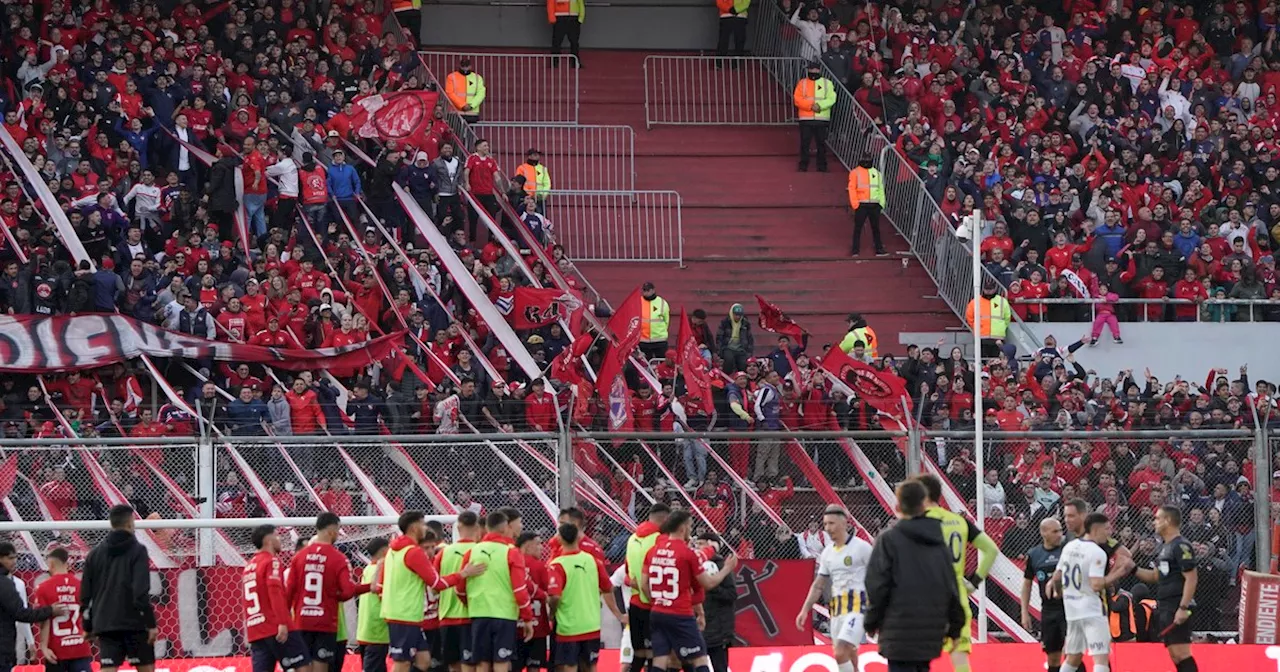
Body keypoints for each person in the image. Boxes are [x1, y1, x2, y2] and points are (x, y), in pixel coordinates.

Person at [863, 480, 964, 672]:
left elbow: (877, 585)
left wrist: (871, 620)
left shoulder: (889, 540)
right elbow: (950, 585)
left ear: (898, 507)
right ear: (924, 506)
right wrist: (955, 625)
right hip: (930, 633)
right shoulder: (938, 542)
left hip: (898, 632)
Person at [381, 511, 486, 672]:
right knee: (402, 663)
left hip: (404, 613)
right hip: (404, 614)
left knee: (424, 661)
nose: (425, 528)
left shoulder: (394, 550)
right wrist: (463, 573)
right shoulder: (413, 552)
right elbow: (436, 583)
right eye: (423, 524)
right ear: (414, 527)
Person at [916, 474, 997, 672]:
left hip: (927, 598)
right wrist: (974, 582)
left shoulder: (918, 524)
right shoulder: (959, 521)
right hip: (957, 596)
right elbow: (991, 550)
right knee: (959, 658)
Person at [640, 510, 737, 672]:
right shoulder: (687, 554)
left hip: (657, 612)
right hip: (680, 614)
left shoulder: (653, 551)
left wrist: (657, 601)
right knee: (700, 658)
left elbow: (644, 584)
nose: (691, 531)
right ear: (683, 528)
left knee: (660, 660)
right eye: (690, 526)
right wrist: (727, 569)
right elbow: (708, 583)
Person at [288, 513, 372, 672]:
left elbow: (289, 591)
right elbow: (347, 592)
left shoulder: (299, 557)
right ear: (332, 531)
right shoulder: (338, 558)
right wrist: (331, 596)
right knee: (322, 665)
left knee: (303, 666)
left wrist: (285, 621)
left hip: (302, 621)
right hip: (325, 622)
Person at [795, 506, 872, 672]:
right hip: (836, 610)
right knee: (847, 653)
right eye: (825, 524)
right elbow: (818, 585)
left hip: (858, 607)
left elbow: (879, 577)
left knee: (842, 651)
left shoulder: (862, 548)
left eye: (832, 523)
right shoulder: (828, 553)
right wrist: (804, 610)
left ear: (844, 523)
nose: (828, 528)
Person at [80, 505, 156, 672]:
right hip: (134, 622)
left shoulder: (95, 554)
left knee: (108, 667)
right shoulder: (138, 551)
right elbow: (140, 592)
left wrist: (87, 625)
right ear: (130, 523)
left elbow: (86, 594)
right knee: (146, 668)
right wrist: (150, 623)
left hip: (105, 622)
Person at [458, 510, 535, 672]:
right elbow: (520, 589)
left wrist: (471, 603)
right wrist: (527, 617)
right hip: (504, 615)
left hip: (479, 613)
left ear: (486, 527)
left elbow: (460, 588)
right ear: (506, 527)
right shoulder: (511, 552)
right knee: (501, 662)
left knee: (482, 663)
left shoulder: (472, 551)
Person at [546, 524, 627, 672]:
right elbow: (608, 587)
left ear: (559, 539)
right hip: (592, 624)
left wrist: (551, 613)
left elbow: (555, 597)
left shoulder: (557, 565)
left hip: (568, 627)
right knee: (590, 665)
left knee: (570, 665)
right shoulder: (592, 560)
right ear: (578, 538)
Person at [1134, 506, 1200, 672]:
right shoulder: (1165, 547)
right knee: (1175, 655)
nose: (1154, 522)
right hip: (1165, 605)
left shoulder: (1181, 546)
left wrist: (1183, 607)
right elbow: (1156, 576)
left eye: (1157, 518)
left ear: (1168, 521)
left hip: (1176, 604)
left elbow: (1191, 578)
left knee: (1182, 653)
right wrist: (1132, 568)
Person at [1048, 513, 1112, 672]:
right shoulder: (1097, 552)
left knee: (1073, 659)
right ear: (1096, 529)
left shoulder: (1070, 546)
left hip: (1072, 611)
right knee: (1100, 659)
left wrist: (1058, 593)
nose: (1109, 533)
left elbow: (1056, 578)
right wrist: (1119, 572)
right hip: (1092, 611)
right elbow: (1096, 585)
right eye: (1107, 528)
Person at [244, 525, 311, 672]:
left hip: (256, 630)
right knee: (304, 667)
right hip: (275, 626)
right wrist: (282, 622)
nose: (280, 540)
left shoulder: (249, 566)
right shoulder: (271, 561)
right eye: (277, 536)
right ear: (269, 540)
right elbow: (274, 593)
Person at [0, 542, 61, 672]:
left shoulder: (12, 582)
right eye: (10, 558)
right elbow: (21, 613)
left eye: (15, 557)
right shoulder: (5, 584)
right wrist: (50, 610)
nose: (14, 561)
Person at [623, 503, 670, 672]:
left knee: (639, 653)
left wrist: (632, 582)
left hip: (635, 603)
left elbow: (627, 574)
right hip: (652, 602)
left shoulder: (632, 538)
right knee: (655, 654)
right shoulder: (660, 539)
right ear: (665, 520)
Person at [437, 510, 481, 672]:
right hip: (471, 616)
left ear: (457, 527)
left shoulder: (444, 552)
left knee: (453, 665)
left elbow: (434, 587)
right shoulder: (480, 551)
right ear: (477, 527)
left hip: (447, 616)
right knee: (470, 664)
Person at [33, 547, 90, 672]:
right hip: (80, 647)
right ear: (67, 564)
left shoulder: (43, 588)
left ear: (51, 564)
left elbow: (44, 619)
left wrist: (43, 646)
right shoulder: (81, 586)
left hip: (56, 650)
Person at [1022, 518, 1066, 672]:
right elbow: (1027, 584)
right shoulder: (1034, 555)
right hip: (1048, 610)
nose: (1059, 534)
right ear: (1043, 533)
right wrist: (1024, 612)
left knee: (1071, 653)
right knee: (1053, 657)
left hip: (1069, 607)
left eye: (1060, 530)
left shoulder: (1067, 550)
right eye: (1055, 531)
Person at [1063, 500, 1133, 590]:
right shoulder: (1070, 535)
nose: (1067, 520)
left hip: (1097, 592)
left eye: (1071, 516)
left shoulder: (1099, 536)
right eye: (1066, 516)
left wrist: (1111, 576)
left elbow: (1127, 555)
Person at [694, 533, 735, 672]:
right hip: (699, 626)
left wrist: (712, 585)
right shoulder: (694, 565)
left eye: (701, 543)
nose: (698, 547)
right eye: (697, 544)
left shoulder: (722, 565)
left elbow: (731, 595)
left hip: (719, 629)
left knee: (720, 667)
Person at [793, 62, 835, 172]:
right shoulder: (802, 83)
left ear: (818, 70)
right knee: (805, 143)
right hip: (806, 118)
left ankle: (821, 165)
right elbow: (797, 99)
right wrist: (812, 106)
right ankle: (804, 164)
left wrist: (819, 106)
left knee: (821, 143)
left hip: (821, 119)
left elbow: (831, 98)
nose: (811, 72)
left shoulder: (827, 83)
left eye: (813, 69)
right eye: (810, 69)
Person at [356, 538, 391, 672]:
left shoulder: (368, 568)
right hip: (377, 629)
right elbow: (379, 592)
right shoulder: (381, 570)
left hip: (366, 628)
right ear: (384, 551)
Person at [847, 156, 886, 256]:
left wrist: (881, 203)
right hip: (862, 204)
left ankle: (879, 249)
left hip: (874, 204)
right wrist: (855, 204)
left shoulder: (877, 173)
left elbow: (881, 189)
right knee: (858, 228)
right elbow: (852, 189)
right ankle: (855, 250)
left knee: (876, 228)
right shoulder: (855, 172)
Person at [445, 59, 487, 125]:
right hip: (455, 113)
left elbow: (481, 93)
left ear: (470, 66)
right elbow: (450, 93)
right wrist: (463, 105)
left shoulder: (477, 78)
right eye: (463, 66)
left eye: (466, 66)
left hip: (472, 113)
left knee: (469, 134)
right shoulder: (451, 77)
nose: (465, 68)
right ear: (459, 66)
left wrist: (471, 105)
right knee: (455, 134)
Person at [546, 0, 585, 66]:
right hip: (560, 18)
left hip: (573, 19)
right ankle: (554, 62)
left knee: (574, 42)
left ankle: (575, 62)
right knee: (557, 42)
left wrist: (581, 18)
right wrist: (552, 18)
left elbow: (581, 3)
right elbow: (550, 3)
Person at [638, 282, 671, 361]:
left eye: (648, 290)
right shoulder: (638, 301)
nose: (645, 293)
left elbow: (666, 321)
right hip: (643, 340)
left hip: (659, 340)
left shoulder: (662, 303)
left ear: (653, 290)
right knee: (644, 365)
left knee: (662, 363)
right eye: (644, 290)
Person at [714, 0, 749, 66]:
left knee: (739, 41)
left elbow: (746, 2)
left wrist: (734, 9)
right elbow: (719, 2)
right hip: (730, 16)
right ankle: (719, 62)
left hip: (737, 16)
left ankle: (735, 63)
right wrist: (731, 9)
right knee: (724, 40)